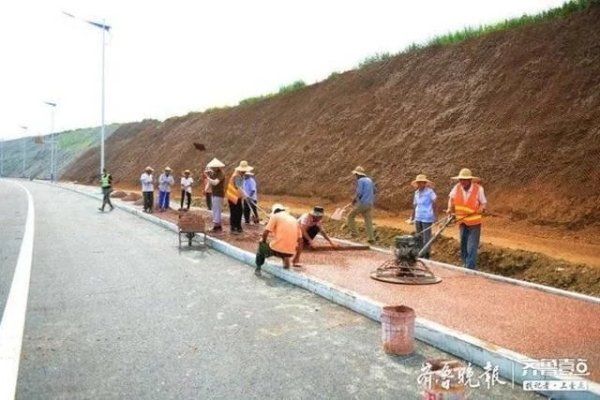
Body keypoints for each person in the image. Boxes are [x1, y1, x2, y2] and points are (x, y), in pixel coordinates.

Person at [447, 168, 487, 270]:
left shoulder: (478, 189)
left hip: (474, 223)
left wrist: (481, 208)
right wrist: (449, 209)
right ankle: (465, 264)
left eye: (464, 180)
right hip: (462, 221)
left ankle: (470, 268)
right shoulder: (457, 188)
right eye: (460, 180)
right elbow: (451, 199)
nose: (462, 182)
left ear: (470, 180)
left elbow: (483, 203)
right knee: (463, 245)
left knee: (472, 246)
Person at [255, 203, 302, 273]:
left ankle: (258, 268)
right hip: (290, 252)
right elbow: (301, 241)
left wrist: (263, 242)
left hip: (277, 250)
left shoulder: (275, 216)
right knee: (285, 249)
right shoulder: (294, 220)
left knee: (261, 247)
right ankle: (286, 267)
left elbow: (265, 233)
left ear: (274, 212)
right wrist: (297, 257)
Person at [346, 166, 377, 244]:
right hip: (370, 203)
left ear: (358, 174)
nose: (355, 176)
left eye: (356, 175)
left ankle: (354, 234)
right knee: (368, 221)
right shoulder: (369, 180)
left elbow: (359, 192)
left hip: (363, 203)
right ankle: (371, 238)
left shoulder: (360, 180)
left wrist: (354, 200)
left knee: (350, 216)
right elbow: (375, 190)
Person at [409, 174, 437, 259]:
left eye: (422, 183)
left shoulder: (430, 192)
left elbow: (434, 203)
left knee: (426, 237)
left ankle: (426, 255)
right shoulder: (416, 192)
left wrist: (435, 216)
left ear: (425, 183)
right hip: (418, 216)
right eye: (418, 183)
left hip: (427, 216)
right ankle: (420, 253)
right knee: (419, 236)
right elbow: (415, 205)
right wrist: (412, 217)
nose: (420, 184)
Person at [226, 161, 252, 234]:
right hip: (232, 196)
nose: (244, 172)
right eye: (243, 170)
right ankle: (234, 227)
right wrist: (246, 196)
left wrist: (246, 195)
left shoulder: (241, 175)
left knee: (239, 211)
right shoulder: (236, 175)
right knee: (235, 212)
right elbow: (239, 187)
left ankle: (238, 226)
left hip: (237, 196)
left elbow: (241, 188)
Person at [205, 158, 226, 231]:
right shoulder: (213, 173)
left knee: (217, 209)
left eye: (213, 167)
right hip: (214, 193)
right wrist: (206, 189)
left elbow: (215, 182)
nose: (212, 168)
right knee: (215, 209)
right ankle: (218, 225)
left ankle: (216, 226)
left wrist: (207, 177)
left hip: (219, 193)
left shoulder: (221, 174)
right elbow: (210, 183)